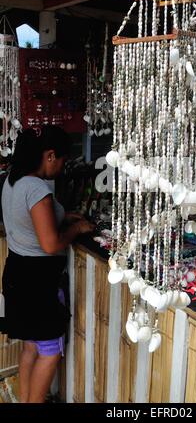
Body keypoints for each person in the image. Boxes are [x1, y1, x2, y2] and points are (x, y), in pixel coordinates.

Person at [0, 127, 94, 403]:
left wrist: (63, 216)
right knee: (50, 350)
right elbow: (51, 244)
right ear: (49, 155)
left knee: (31, 346)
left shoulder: (12, 181)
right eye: (63, 159)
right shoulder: (37, 189)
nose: (63, 166)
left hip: (17, 273)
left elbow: (28, 221)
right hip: (37, 282)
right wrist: (77, 229)